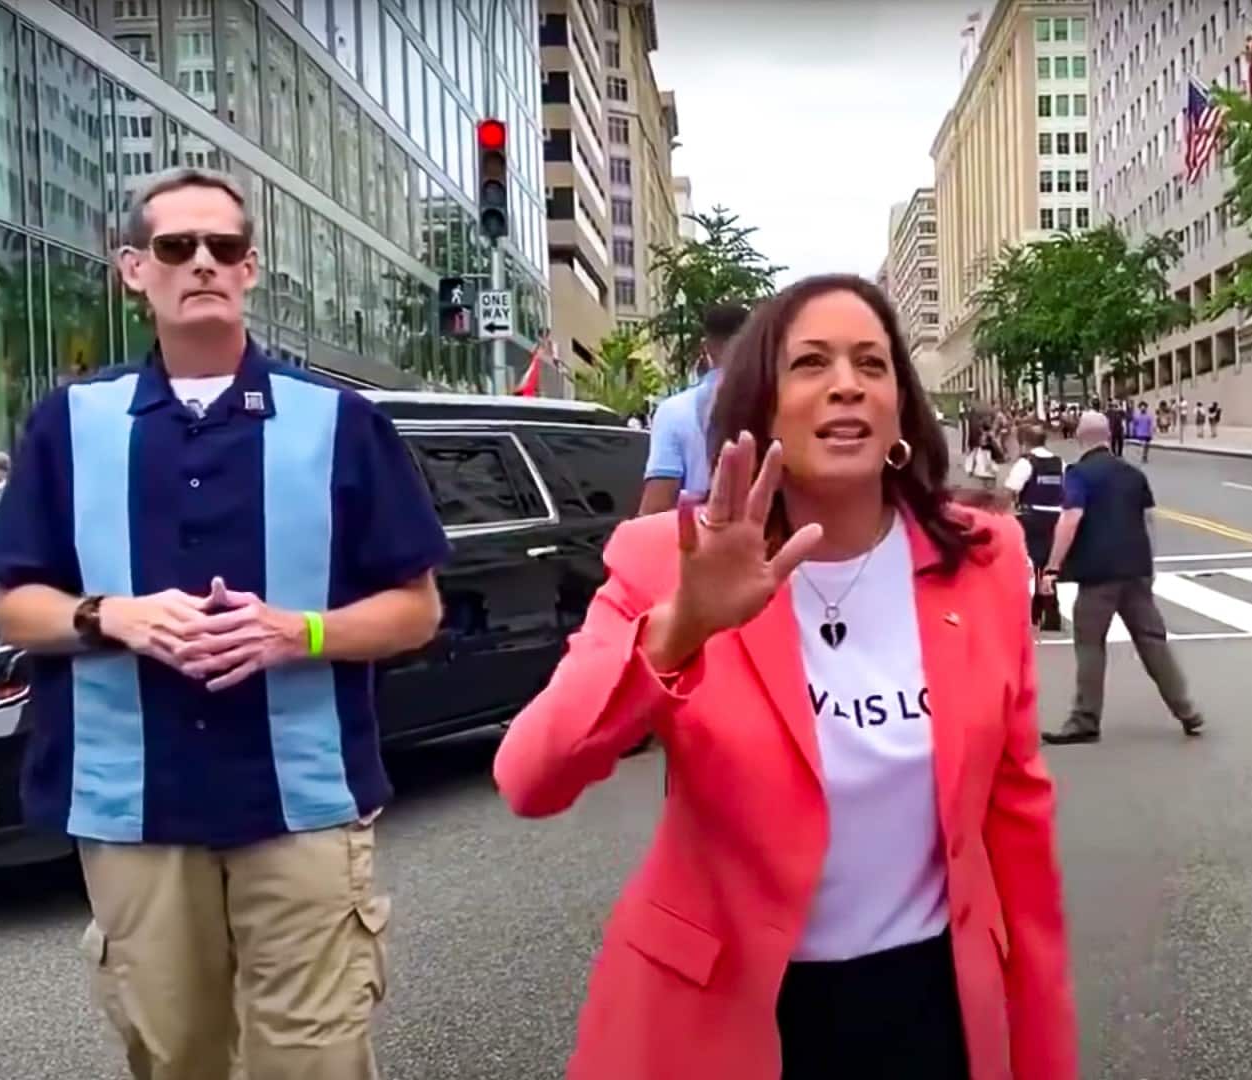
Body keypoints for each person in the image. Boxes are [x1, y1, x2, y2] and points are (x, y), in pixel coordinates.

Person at [494, 274, 1078, 1080]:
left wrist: (1043, 1052)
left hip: (930, 1006)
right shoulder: (666, 557)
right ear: (760, 406)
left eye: (872, 365)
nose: (847, 384)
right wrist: (679, 630)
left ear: (900, 410)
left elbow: (1018, 817)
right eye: (811, 364)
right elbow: (531, 777)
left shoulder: (981, 559)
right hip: (723, 1013)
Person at [0, 167, 449, 1080]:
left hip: (303, 803)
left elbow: (416, 607)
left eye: (223, 248)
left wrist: (298, 634)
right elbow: (14, 604)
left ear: (251, 268)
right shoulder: (70, 424)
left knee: (314, 1059)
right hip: (132, 804)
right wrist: (108, 614)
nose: (201, 263)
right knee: (176, 1055)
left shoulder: (340, 421)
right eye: (175, 247)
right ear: (133, 269)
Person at [1038, 410, 1203, 745]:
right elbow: (1148, 521)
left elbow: (1071, 518)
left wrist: (1052, 567)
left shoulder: (1079, 474)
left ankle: (1085, 719)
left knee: (1090, 644)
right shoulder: (1132, 473)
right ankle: (1186, 710)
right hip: (1136, 570)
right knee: (1152, 642)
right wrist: (1149, 567)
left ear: (1079, 437)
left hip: (1098, 575)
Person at [639, 302, 753, 516]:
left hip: (699, 539)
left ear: (706, 347)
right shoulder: (782, 402)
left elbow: (656, 506)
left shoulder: (675, 410)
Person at [1004, 421, 1065, 574]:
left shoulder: (1026, 462)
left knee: (1031, 560)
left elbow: (1010, 490)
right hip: (1056, 518)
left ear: (1024, 442)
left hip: (1032, 519)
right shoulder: (1060, 462)